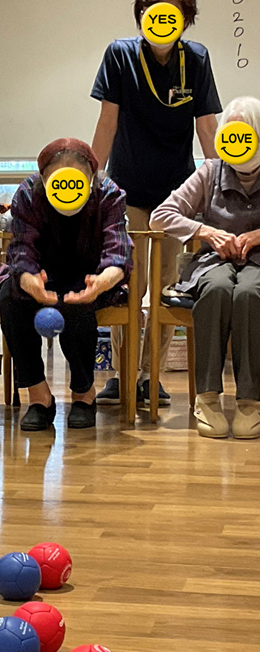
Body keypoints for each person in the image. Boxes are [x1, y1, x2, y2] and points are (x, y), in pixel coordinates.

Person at [90, 0, 222, 406]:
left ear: (185, 15)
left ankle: (151, 376)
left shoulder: (196, 59)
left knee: (165, 289)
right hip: (127, 191)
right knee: (128, 284)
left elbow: (207, 127)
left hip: (175, 197)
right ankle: (123, 373)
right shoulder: (120, 54)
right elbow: (107, 122)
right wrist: (93, 182)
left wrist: (219, 184)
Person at [0, 138, 133, 431]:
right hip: (41, 274)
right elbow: (22, 249)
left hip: (91, 275)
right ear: (45, 180)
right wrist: (29, 280)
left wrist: (101, 282)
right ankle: (39, 397)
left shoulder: (109, 193)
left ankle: (84, 394)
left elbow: (118, 252)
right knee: (10, 298)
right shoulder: (28, 192)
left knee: (77, 305)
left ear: (90, 178)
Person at [150, 96, 260, 439]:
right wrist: (206, 232)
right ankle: (207, 397)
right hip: (215, 261)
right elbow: (160, 216)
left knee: (249, 293)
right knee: (216, 289)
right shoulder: (210, 171)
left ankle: (250, 400)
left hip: (258, 262)